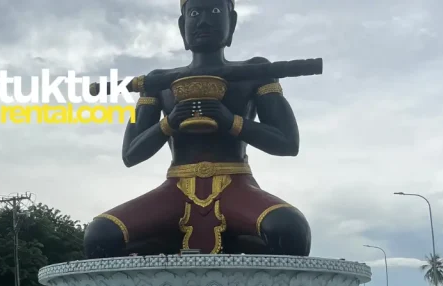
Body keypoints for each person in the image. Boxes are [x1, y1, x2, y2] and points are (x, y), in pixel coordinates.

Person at [83, 0, 311, 258]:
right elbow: (130, 154)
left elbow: (287, 143)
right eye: (194, 12)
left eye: (214, 11)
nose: (203, 21)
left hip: (236, 186)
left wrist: (230, 121)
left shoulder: (255, 71)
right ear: (183, 26)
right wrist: (169, 123)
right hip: (174, 190)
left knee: (289, 229)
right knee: (101, 235)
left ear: (232, 22)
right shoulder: (158, 81)